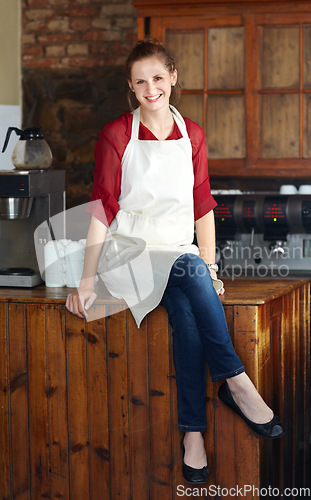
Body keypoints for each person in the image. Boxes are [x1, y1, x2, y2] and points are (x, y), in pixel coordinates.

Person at [66, 38, 284, 485]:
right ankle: (237, 383)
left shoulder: (193, 136)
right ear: (131, 86)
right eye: (141, 81)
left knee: (187, 308)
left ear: (173, 79)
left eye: (159, 79)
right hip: (130, 253)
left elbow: (202, 207)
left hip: (179, 255)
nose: (151, 89)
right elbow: (103, 208)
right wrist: (86, 280)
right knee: (189, 272)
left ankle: (192, 434)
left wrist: (212, 268)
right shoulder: (116, 134)